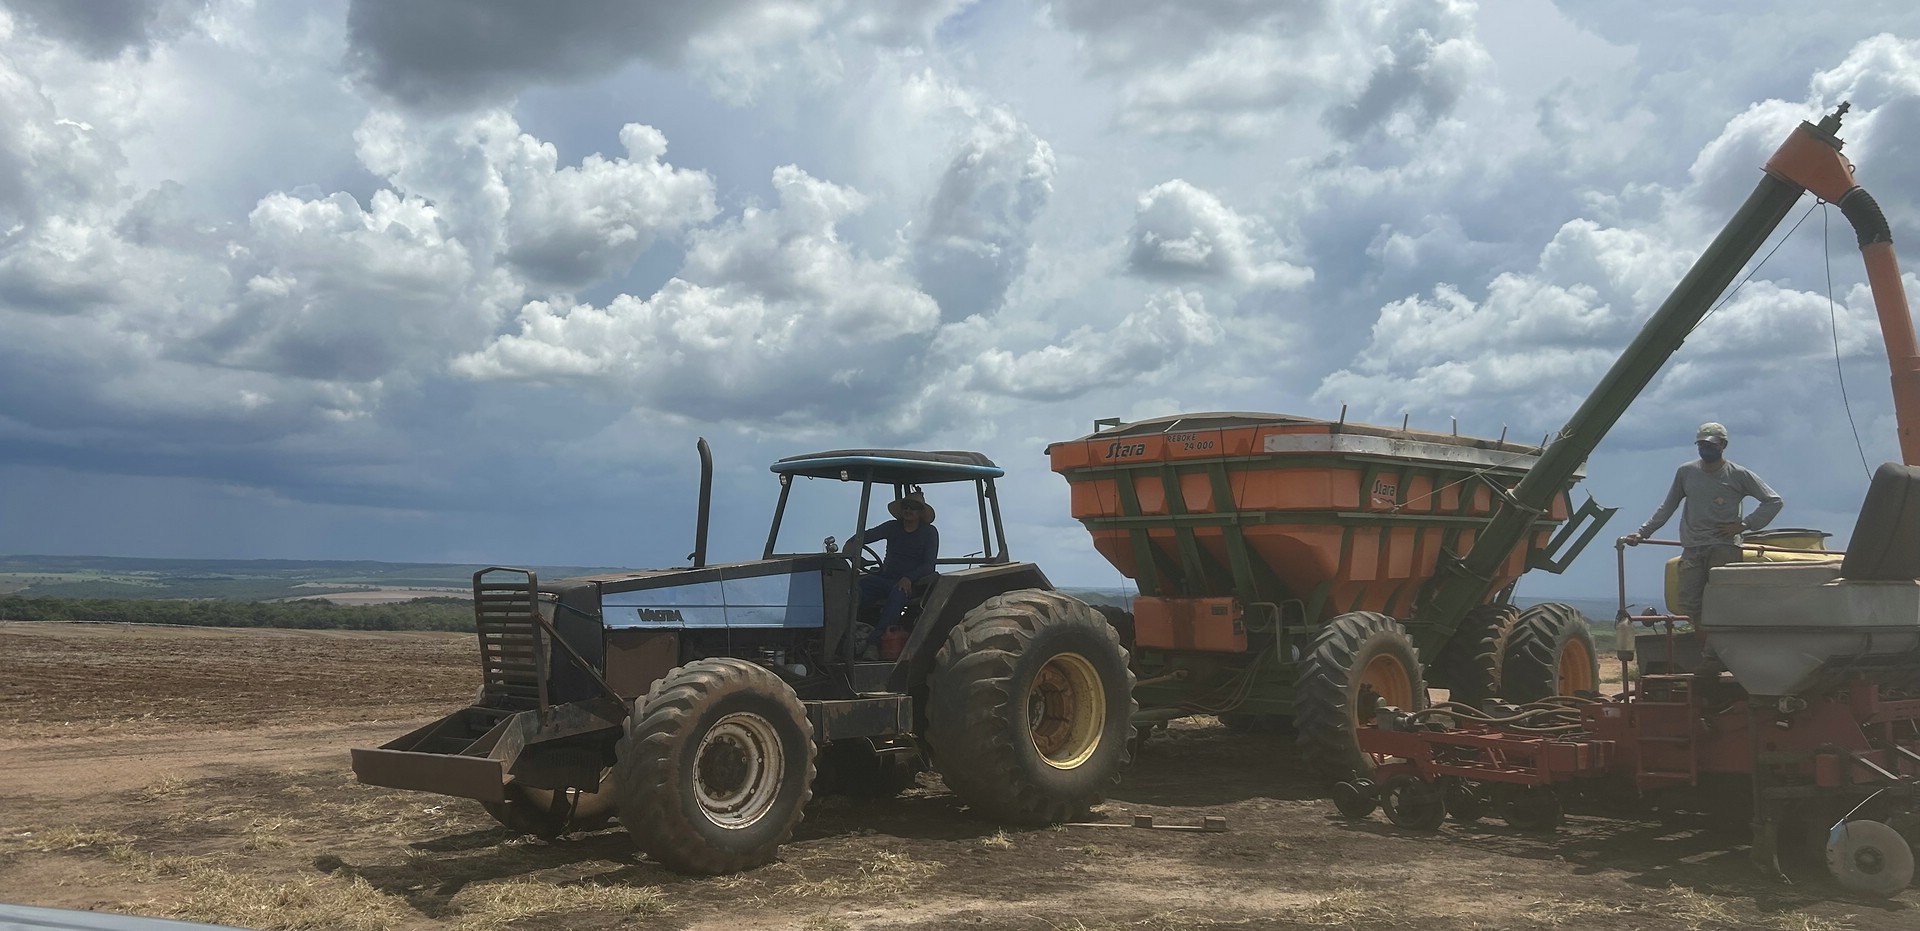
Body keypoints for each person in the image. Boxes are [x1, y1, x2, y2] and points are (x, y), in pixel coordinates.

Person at [1623, 422, 1783, 623]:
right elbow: (1668, 506)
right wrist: (1643, 532)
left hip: (1724, 548)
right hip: (1693, 546)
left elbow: (1773, 501)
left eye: (1710, 445)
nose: (1705, 449)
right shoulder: (1686, 472)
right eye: (1701, 445)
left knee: (1723, 601)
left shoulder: (1738, 474)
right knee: (1690, 603)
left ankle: (1717, 649)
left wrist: (1744, 525)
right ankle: (1703, 646)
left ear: (1723, 445)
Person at [847, 490, 939, 658]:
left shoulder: (929, 533)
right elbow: (867, 536)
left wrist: (909, 578)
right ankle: (848, 633)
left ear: (920, 513)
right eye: (906, 506)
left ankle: (874, 643)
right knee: (856, 588)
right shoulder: (892, 527)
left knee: (897, 594)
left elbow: (929, 565)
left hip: (912, 584)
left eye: (914, 507)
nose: (909, 510)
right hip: (885, 578)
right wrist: (852, 542)